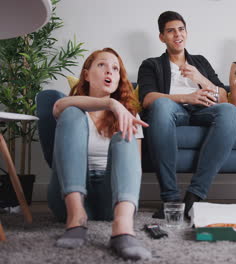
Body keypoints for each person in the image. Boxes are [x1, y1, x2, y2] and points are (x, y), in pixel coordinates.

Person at [38, 48, 151, 260]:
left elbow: (135, 166)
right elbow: (59, 105)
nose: (110, 71)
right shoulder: (70, 110)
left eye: (115, 68)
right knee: (72, 111)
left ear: (118, 79)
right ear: (87, 74)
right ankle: (76, 218)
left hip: (112, 198)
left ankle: (123, 228)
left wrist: (120, 111)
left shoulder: (128, 115)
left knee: (125, 130)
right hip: (67, 197)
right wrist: (110, 103)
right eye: (102, 65)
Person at [137, 11, 236, 219]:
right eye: (170, 31)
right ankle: (171, 199)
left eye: (181, 29)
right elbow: (147, 98)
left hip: (203, 110)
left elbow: (224, 98)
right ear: (162, 37)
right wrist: (187, 98)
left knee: (229, 111)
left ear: (186, 32)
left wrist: (201, 78)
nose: (177, 35)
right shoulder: (151, 64)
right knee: (161, 106)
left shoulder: (199, 61)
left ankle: (194, 196)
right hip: (174, 111)